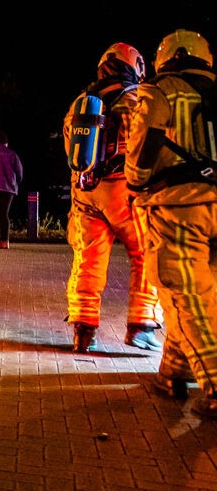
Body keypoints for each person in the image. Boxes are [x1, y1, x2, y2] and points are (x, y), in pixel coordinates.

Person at [126, 29, 217, 415]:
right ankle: (174, 371)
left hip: (179, 204)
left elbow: (146, 139)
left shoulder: (161, 89)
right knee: (200, 292)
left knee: (187, 295)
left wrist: (135, 181)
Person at [63, 43, 162, 353]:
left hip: (86, 192)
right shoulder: (135, 99)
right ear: (134, 67)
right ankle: (142, 325)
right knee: (147, 253)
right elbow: (145, 146)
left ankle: (83, 328)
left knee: (88, 259)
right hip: (125, 193)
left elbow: (72, 154)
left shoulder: (79, 106)